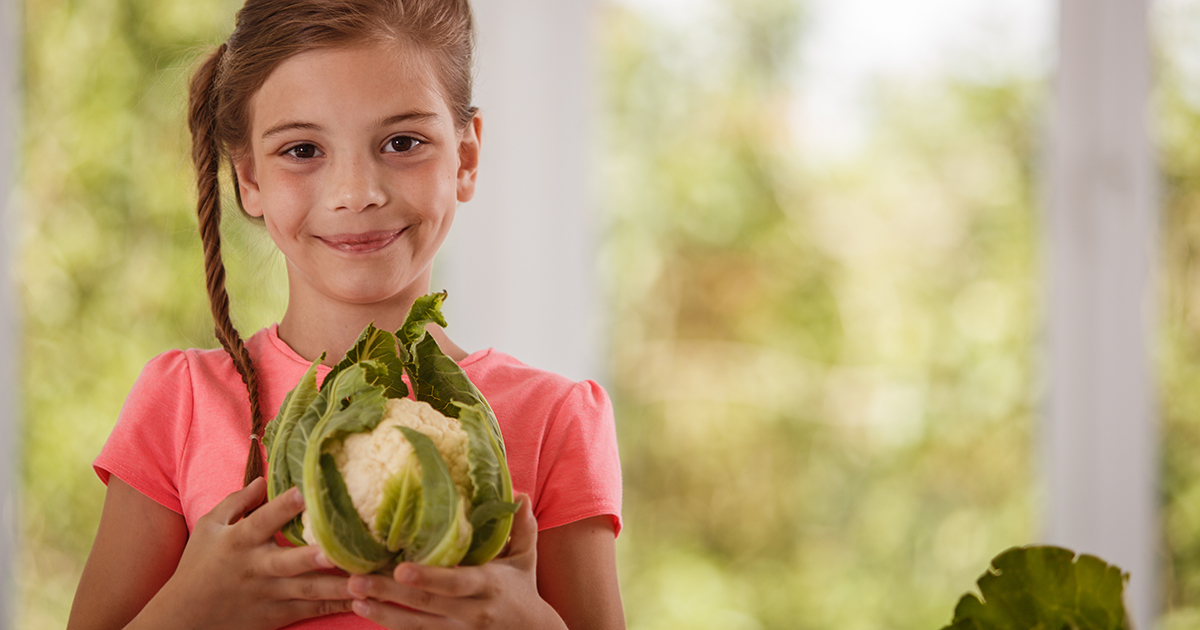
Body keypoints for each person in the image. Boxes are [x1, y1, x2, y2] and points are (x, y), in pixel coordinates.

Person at [65, 1, 624, 628]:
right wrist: (188, 612)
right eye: (303, 150)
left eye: (403, 142)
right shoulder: (181, 405)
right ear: (248, 179)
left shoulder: (555, 421)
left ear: (465, 158)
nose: (357, 192)